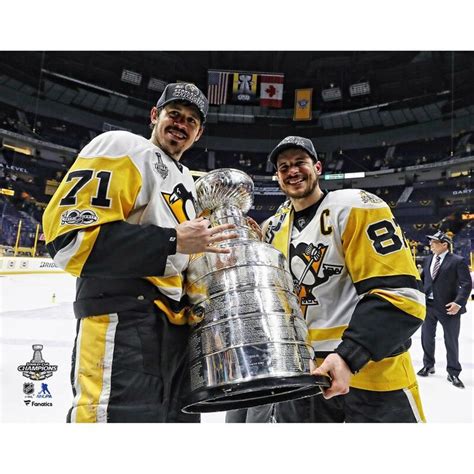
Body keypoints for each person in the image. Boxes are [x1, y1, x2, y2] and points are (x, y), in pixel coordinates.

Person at [42, 83, 237, 423]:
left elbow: (185, 260)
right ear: (154, 116)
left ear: (198, 133)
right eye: (174, 114)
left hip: (178, 335)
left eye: (191, 121)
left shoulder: (190, 182)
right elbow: (68, 239)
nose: (181, 124)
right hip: (125, 319)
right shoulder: (123, 147)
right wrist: (172, 241)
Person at [226, 135, 426, 423]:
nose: (292, 171)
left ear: (317, 167)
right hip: (304, 378)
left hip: (371, 373)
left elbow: (402, 298)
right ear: (277, 177)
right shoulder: (273, 228)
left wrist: (348, 356)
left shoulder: (356, 207)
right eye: (284, 167)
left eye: (300, 163)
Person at [417, 230, 472, 388]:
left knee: (451, 340)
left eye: (434, 242)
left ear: (444, 244)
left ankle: (453, 372)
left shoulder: (457, 261)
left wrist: (458, 303)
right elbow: (424, 281)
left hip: (449, 307)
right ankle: (428, 365)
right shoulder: (428, 260)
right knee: (426, 337)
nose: (430, 245)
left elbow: (466, 284)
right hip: (429, 306)